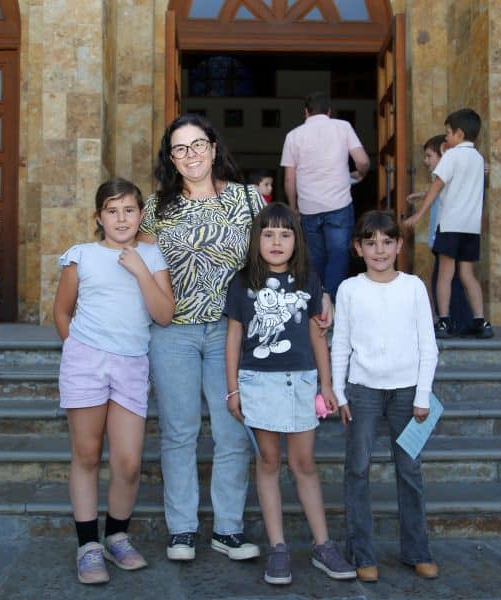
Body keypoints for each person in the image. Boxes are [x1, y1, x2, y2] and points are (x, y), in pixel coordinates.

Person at [137, 113, 266, 563]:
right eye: (180, 148)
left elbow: (273, 254)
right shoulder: (156, 208)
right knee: (179, 431)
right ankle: (182, 530)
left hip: (230, 332)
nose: (190, 155)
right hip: (172, 331)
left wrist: (315, 295)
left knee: (233, 431)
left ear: (213, 148)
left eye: (197, 145)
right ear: (171, 158)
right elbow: (139, 268)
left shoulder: (247, 199)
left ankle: (228, 530)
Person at [224, 202, 356, 585]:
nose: (277, 242)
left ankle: (322, 545)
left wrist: (327, 385)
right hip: (257, 381)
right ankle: (278, 547)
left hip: (301, 381)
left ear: (297, 240)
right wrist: (232, 389)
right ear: (257, 240)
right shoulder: (243, 281)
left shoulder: (308, 280)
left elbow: (317, 335)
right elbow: (233, 338)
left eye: (285, 234)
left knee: (304, 463)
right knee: (268, 461)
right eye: (268, 234)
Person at [53, 177, 175, 585]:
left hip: (131, 364)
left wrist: (140, 270)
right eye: (112, 210)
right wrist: (77, 350)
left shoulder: (152, 256)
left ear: (140, 214)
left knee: (127, 461)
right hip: (85, 361)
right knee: (87, 454)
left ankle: (117, 536)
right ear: (98, 217)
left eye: (129, 210)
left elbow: (164, 314)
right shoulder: (81, 257)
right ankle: (88, 545)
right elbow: (62, 312)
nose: (121, 218)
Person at [331, 210, 440, 583]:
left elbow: (428, 345)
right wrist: (339, 391)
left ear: (399, 245)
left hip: (407, 394)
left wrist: (423, 395)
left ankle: (417, 551)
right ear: (358, 248)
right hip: (362, 391)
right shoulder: (349, 289)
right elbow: (341, 344)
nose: (379, 250)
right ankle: (362, 553)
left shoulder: (413, 287)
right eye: (371, 243)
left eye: (387, 242)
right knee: (357, 468)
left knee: (409, 470)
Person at [403, 108, 493, 339]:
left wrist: (419, 214)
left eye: (448, 133)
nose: (446, 137)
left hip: (451, 225)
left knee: (445, 274)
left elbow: (437, 186)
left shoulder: (452, 156)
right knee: (467, 274)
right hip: (470, 229)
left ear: (459, 134)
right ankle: (481, 321)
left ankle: (444, 320)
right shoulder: (478, 159)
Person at [280, 91, 370, 300]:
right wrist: (360, 174)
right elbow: (363, 161)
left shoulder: (293, 136)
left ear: (306, 112)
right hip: (339, 204)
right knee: (338, 255)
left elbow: (289, 179)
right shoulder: (343, 127)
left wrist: (293, 207)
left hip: (309, 207)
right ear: (329, 111)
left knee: (315, 258)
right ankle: (332, 301)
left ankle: (316, 303)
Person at [407, 135, 473, 334]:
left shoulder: (448, 174)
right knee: (447, 279)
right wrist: (422, 195)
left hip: (447, 235)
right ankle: (456, 321)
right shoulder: (443, 179)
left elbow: (440, 190)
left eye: (429, 156)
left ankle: (456, 322)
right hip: (446, 235)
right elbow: (438, 191)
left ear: (443, 156)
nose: (425, 161)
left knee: (446, 280)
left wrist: (418, 214)